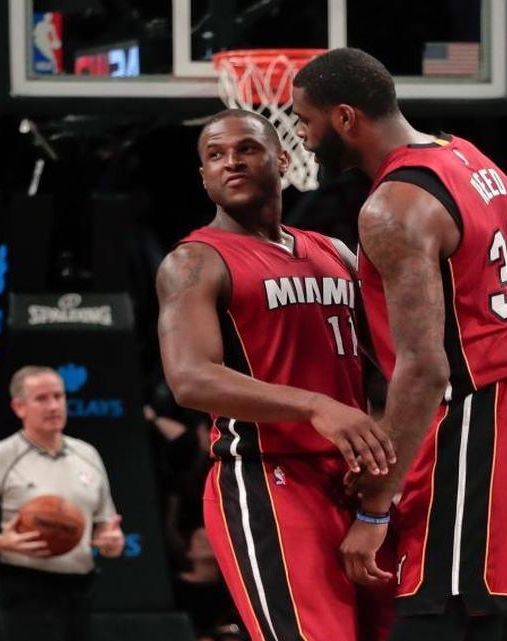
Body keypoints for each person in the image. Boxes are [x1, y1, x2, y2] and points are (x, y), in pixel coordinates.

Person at [291, 48, 507, 641]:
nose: (302, 135)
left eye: (305, 120)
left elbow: (424, 368)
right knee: (496, 617)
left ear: (345, 118)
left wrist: (375, 505)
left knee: (434, 614)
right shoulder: (471, 158)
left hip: (485, 412)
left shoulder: (393, 207)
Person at [155, 108, 395, 641]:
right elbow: (190, 379)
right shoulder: (195, 261)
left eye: (246, 149)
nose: (231, 162)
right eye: (215, 155)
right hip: (267, 477)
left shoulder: (334, 252)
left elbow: (397, 359)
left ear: (284, 158)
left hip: (353, 480)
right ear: (203, 177)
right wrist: (315, 405)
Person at [0, 365, 124, 641]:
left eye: (58, 396)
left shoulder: (87, 454)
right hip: (21, 583)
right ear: (19, 407)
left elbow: (104, 527)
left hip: (80, 584)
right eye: (41, 399)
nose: (53, 406)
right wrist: (4, 543)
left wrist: (111, 541)